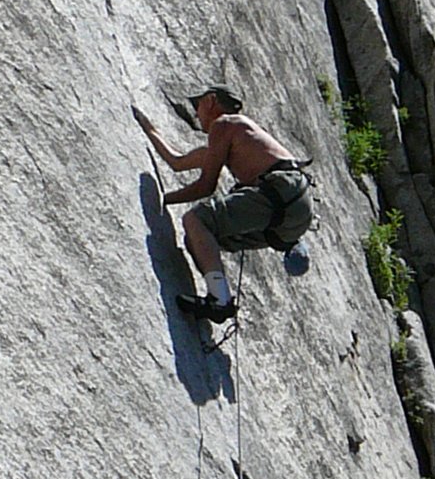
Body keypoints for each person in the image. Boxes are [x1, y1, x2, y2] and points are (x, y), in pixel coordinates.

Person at [133, 83, 312, 320]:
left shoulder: (225, 124)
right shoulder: (238, 138)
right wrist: (149, 128)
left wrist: (165, 200)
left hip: (282, 191)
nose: (197, 114)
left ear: (210, 101)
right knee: (198, 239)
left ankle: (220, 300)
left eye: (198, 106)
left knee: (197, 220)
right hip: (294, 216)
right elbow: (177, 162)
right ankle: (217, 295)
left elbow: (206, 186)